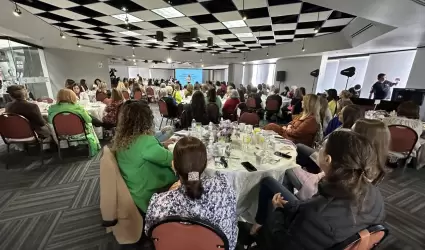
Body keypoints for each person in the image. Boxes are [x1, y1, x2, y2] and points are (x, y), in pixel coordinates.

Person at [251, 131, 385, 250]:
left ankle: (252, 234)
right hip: (330, 238)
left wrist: (277, 211)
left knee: (268, 185)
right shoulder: (375, 194)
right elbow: (310, 208)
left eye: (321, 147)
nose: (318, 150)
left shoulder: (316, 214)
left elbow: (280, 244)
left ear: (328, 159)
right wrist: (289, 207)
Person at [145, 137, 237, 250]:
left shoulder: (159, 203)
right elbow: (231, 236)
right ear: (205, 165)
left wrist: (168, 194)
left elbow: (150, 233)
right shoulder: (224, 188)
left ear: (173, 165)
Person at [285, 117, 388, 201]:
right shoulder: (370, 159)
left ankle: (288, 201)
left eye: (352, 131)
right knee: (300, 148)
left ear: (360, 138)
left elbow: (332, 179)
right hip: (327, 172)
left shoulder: (356, 165)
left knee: (285, 168)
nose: (349, 133)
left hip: (321, 186)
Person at [112, 101, 177, 214]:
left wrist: (161, 145)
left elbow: (140, 152)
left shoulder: (124, 139)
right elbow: (172, 160)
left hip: (135, 189)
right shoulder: (146, 142)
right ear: (146, 119)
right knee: (192, 173)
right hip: (150, 193)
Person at [48, 89, 100, 156]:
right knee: (89, 125)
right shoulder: (78, 107)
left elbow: (50, 123)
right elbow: (89, 120)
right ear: (72, 96)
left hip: (61, 136)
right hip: (79, 134)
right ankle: (94, 145)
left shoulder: (52, 109)